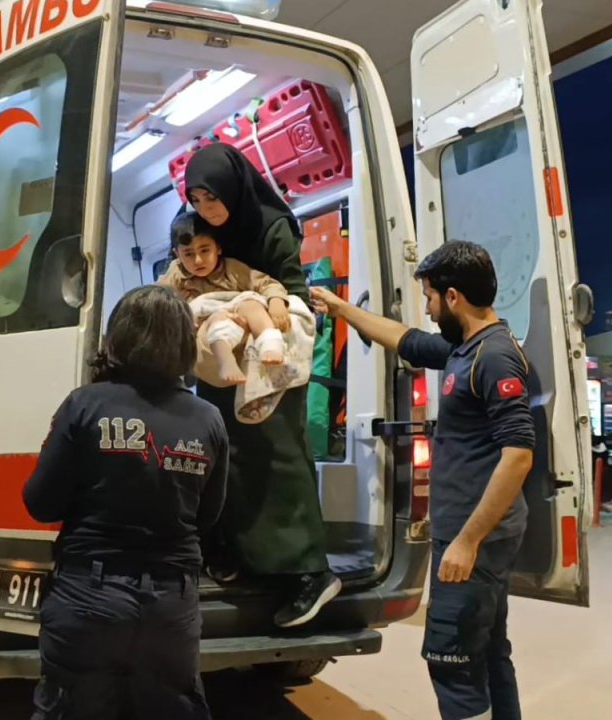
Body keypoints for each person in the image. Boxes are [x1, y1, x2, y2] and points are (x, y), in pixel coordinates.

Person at [310, 240, 535, 720]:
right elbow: (404, 338)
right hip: (469, 532)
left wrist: (467, 541)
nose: (429, 310)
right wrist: (340, 307)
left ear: (453, 297)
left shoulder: (492, 357)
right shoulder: (465, 347)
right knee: (490, 655)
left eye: (431, 298)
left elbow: (518, 457)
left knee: (453, 664)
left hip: (475, 537)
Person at [22, 285, 228, 720]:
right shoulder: (207, 419)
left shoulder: (86, 404)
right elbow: (208, 515)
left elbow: (40, 503)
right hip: (172, 607)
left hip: (88, 600)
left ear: (118, 338)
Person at [183, 143, 339, 628]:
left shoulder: (272, 226)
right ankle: (244, 558)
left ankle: (311, 573)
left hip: (273, 365)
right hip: (221, 368)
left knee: (280, 461)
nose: (207, 211)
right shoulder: (205, 231)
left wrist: (259, 310)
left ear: (234, 189)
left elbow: (291, 292)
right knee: (226, 459)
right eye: (197, 200)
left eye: (214, 199)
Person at [159, 211, 293, 385]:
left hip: (238, 322)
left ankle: (270, 344)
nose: (198, 260)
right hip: (209, 335)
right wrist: (181, 315)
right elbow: (158, 302)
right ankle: (226, 363)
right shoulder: (176, 274)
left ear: (218, 248)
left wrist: (276, 301)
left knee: (251, 303)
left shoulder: (232, 269)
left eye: (205, 250)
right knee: (217, 318)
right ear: (177, 254)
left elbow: (265, 283)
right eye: (188, 254)